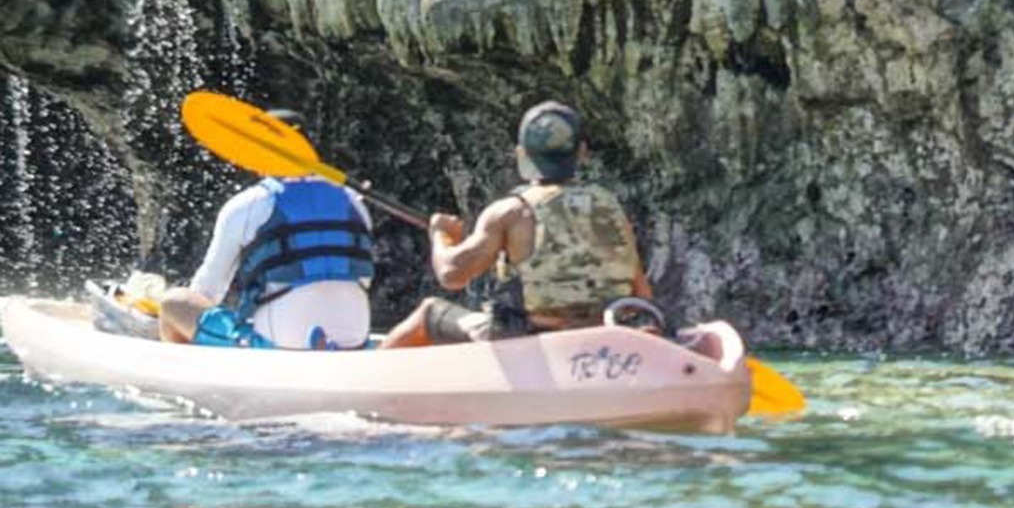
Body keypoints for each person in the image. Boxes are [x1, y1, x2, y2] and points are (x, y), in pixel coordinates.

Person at [380, 100, 651, 348]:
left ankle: (366, 384)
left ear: (522, 154)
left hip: (530, 339)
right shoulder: (611, 207)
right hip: (610, 333)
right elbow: (641, 291)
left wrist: (440, 234)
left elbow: (451, 275)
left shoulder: (510, 212)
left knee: (430, 313)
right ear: (581, 153)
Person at [158, 108, 376, 350]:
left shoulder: (249, 204)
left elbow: (207, 292)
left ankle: (186, 379)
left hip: (279, 348)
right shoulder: (355, 202)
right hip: (356, 344)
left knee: (174, 304)